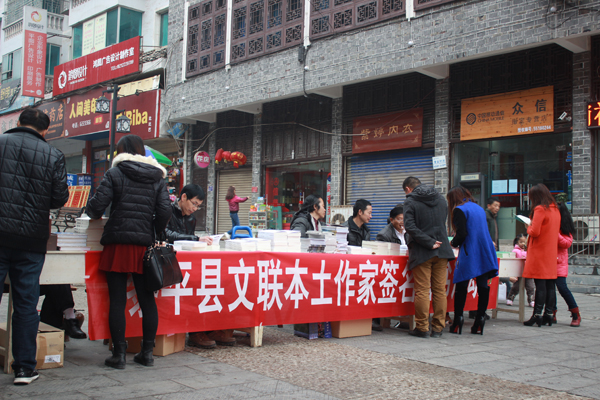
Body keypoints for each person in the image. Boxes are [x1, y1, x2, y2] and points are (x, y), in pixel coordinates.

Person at [86, 135, 172, 369]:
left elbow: (96, 207)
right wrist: (154, 231)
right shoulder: (157, 177)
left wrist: (91, 211)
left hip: (117, 243)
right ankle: (147, 353)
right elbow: (165, 211)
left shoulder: (115, 173)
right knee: (147, 300)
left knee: (117, 300)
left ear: (121, 151)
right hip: (144, 245)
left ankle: (119, 355)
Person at [0, 108, 69, 385]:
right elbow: (59, 198)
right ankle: (25, 369)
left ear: (18, 123)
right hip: (31, 240)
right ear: (45, 130)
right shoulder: (53, 154)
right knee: (27, 304)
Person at [165, 184, 239, 349]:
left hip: (189, 264)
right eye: (194, 204)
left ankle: (209, 329)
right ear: (183, 197)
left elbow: (190, 241)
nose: (195, 209)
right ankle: (195, 332)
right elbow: (167, 235)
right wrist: (196, 239)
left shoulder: (191, 218)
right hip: (170, 264)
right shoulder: (167, 212)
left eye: (198, 206)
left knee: (209, 287)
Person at [402, 177, 455, 338]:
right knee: (439, 290)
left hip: (422, 251)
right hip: (442, 249)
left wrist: (428, 242)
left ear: (408, 189)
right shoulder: (440, 199)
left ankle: (422, 327)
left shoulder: (410, 201)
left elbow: (410, 226)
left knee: (422, 291)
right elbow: (441, 223)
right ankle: (438, 328)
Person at [447, 186, 498, 336]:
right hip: (485, 249)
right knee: (483, 286)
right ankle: (480, 320)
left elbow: (462, 234)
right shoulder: (479, 208)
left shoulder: (459, 210)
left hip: (470, 251)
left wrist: (453, 243)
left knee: (461, 285)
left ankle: (458, 320)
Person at [522, 184, 560, 327]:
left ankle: (537, 314)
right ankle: (548, 314)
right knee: (550, 284)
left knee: (540, 284)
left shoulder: (540, 209)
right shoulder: (555, 209)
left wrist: (528, 227)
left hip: (539, 251)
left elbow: (535, 231)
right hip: (551, 251)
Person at [556, 202, 581, 327]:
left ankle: (575, 313)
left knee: (562, 288)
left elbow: (566, 243)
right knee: (549, 289)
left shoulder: (565, 227)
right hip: (548, 262)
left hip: (559, 263)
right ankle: (551, 313)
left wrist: (555, 233)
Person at [506, 234, 535, 307]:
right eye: (521, 242)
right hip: (518, 271)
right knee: (516, 287)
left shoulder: (529, 250)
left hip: (528, 271)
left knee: (530, 287)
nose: (523, 244)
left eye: (524, 242)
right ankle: (510, 298)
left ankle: (531, 300)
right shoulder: (515, 251)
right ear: (517, 242)